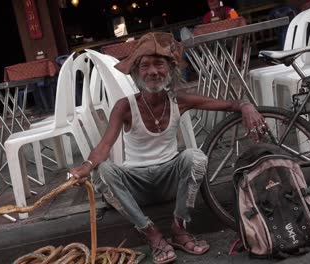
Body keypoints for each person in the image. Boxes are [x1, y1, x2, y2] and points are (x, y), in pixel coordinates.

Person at [69, 32, 267, 264]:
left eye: (159, 64)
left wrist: (246, 106)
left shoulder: (179, 101)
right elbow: (104, 146)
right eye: (145, 66)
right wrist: (85, 166)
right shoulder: (125, 106)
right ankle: (151, 233)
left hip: (170, 181)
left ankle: (179, 229)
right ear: (136, 73)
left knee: (195, 158)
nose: (153, 71)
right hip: (136, 184)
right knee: (103, 171)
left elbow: (228, 104)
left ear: (170, 70)